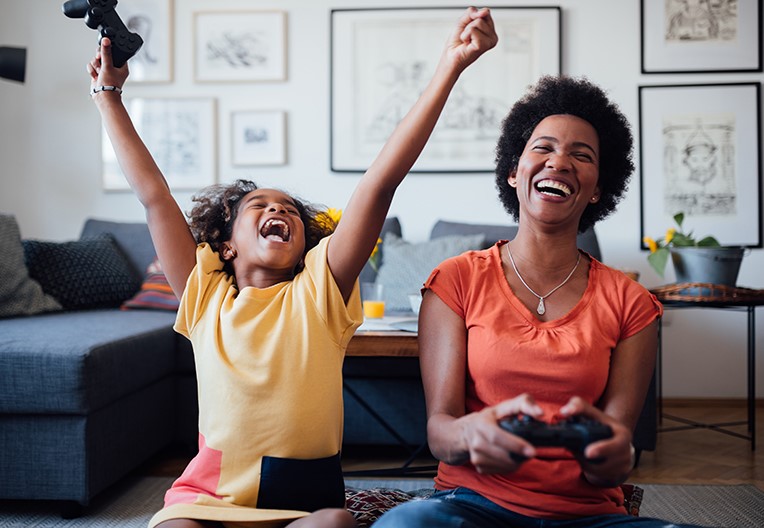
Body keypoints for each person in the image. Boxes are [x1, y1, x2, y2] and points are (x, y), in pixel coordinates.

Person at [86, 7, 497, 528]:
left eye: (290, 210)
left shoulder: (319, 291)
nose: (278, 210)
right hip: (209, 495)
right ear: (226, 246)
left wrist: (450, 67)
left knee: (338, 525)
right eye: (259, 206)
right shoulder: (205, 293)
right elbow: (153, 195)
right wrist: (109, 97)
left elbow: (381, 181)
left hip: (305, 501)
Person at [373, 78, 707, 527]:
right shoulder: (456, 280)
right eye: (543, 147)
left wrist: (607, 452)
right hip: (469, 506)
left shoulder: (633, 303)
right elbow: (440, 430)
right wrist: (470, 434)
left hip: (588, 516)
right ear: (514, 172)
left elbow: (618, 453)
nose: (560, 161)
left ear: (596, 190)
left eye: (582, 155)